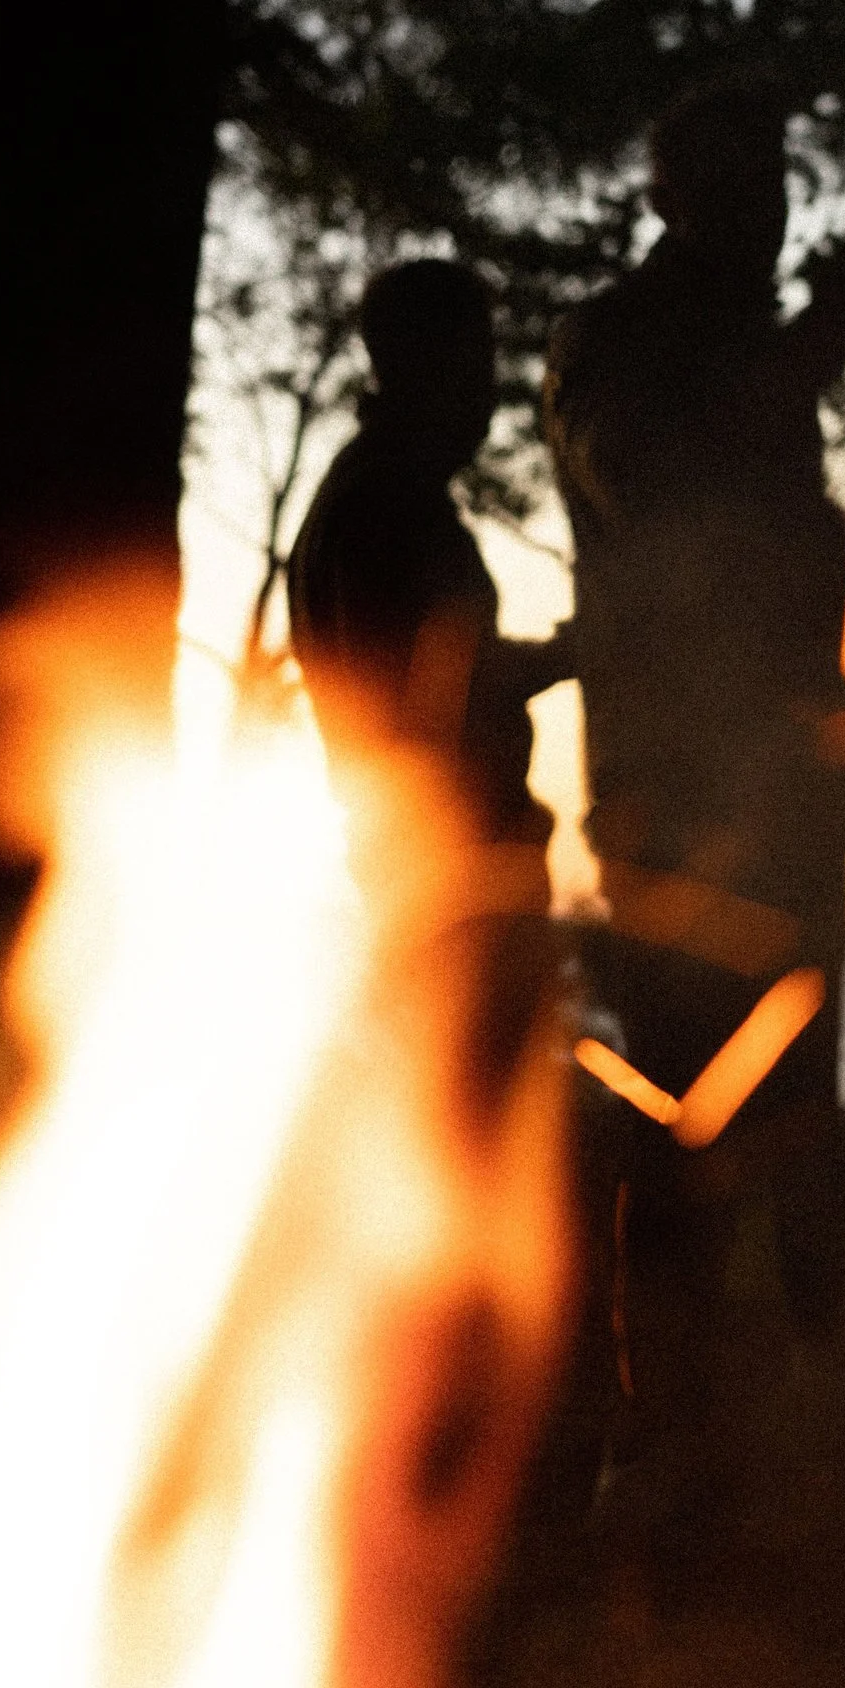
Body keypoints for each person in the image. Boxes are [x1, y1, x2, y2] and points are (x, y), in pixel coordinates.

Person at [542, 75, 845, 1391]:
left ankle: (805, 1398)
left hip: (783, 786)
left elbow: (758, 540)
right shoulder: (623, 334)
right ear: (667, 197)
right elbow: (652, 493)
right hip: (671, 787)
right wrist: (808, 352)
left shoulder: (729, 344)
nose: (762, 213)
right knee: (676, 1099)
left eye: (772, 187)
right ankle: (662, 1404)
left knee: (801, 1084)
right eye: (733, 188)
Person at [287, 258, 572, 1091]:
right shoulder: (385, 503)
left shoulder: (368, 494)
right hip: (450, 875)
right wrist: (572, 653)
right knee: (476, 1104)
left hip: (424, 864)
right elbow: (437, 689)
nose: (489, 391)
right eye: (476, 361)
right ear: (422, 360)